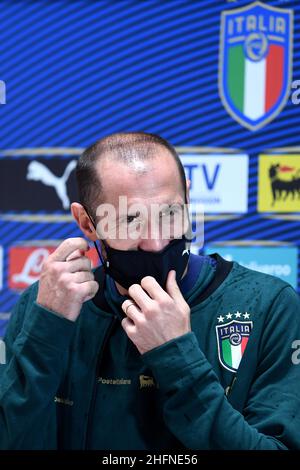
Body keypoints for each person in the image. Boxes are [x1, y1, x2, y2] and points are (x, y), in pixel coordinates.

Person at [1, 131, 300, 450]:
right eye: (130, 220)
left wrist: (176, 355)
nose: (156, 242)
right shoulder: (46, 306)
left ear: (187, 197)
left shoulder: (270, 305)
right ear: (87, 224)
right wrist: (46, 330)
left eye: (170, 214)